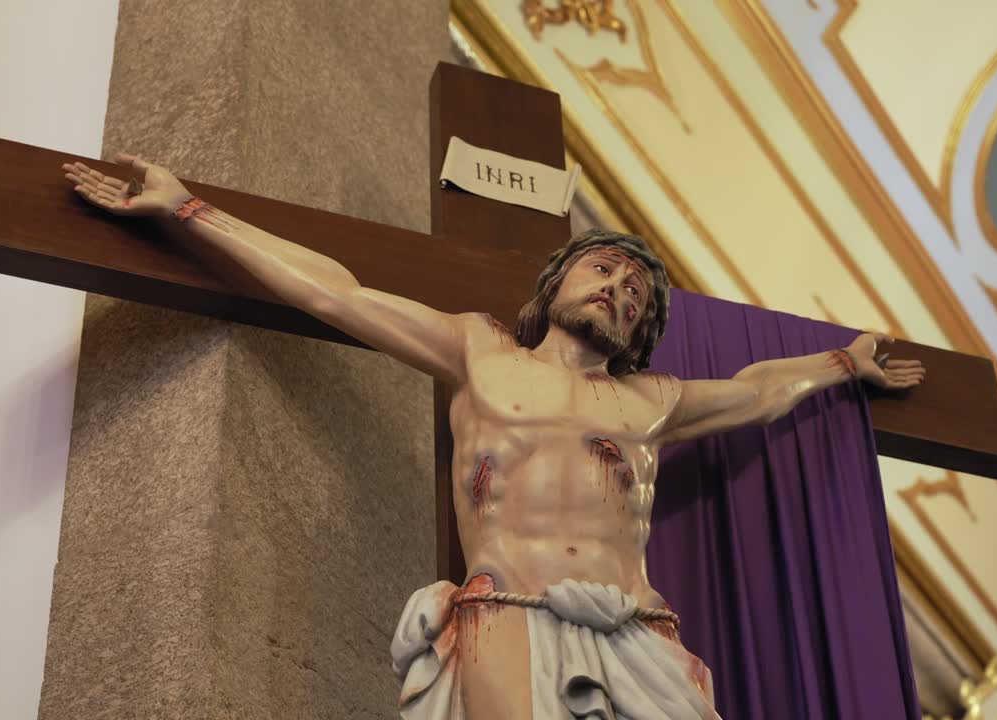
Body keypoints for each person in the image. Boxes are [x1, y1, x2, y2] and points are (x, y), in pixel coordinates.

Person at [62, 154, 925, 719]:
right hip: (512, 614)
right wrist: (190, 210)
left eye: (636, 295)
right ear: (555, 283)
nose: (619, 289)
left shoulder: (653, 400)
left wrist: (842, 364)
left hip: (642, 633)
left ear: (640, 333)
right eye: (603, 268)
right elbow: (334, 292)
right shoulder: (478, 350)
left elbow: (759, 391)